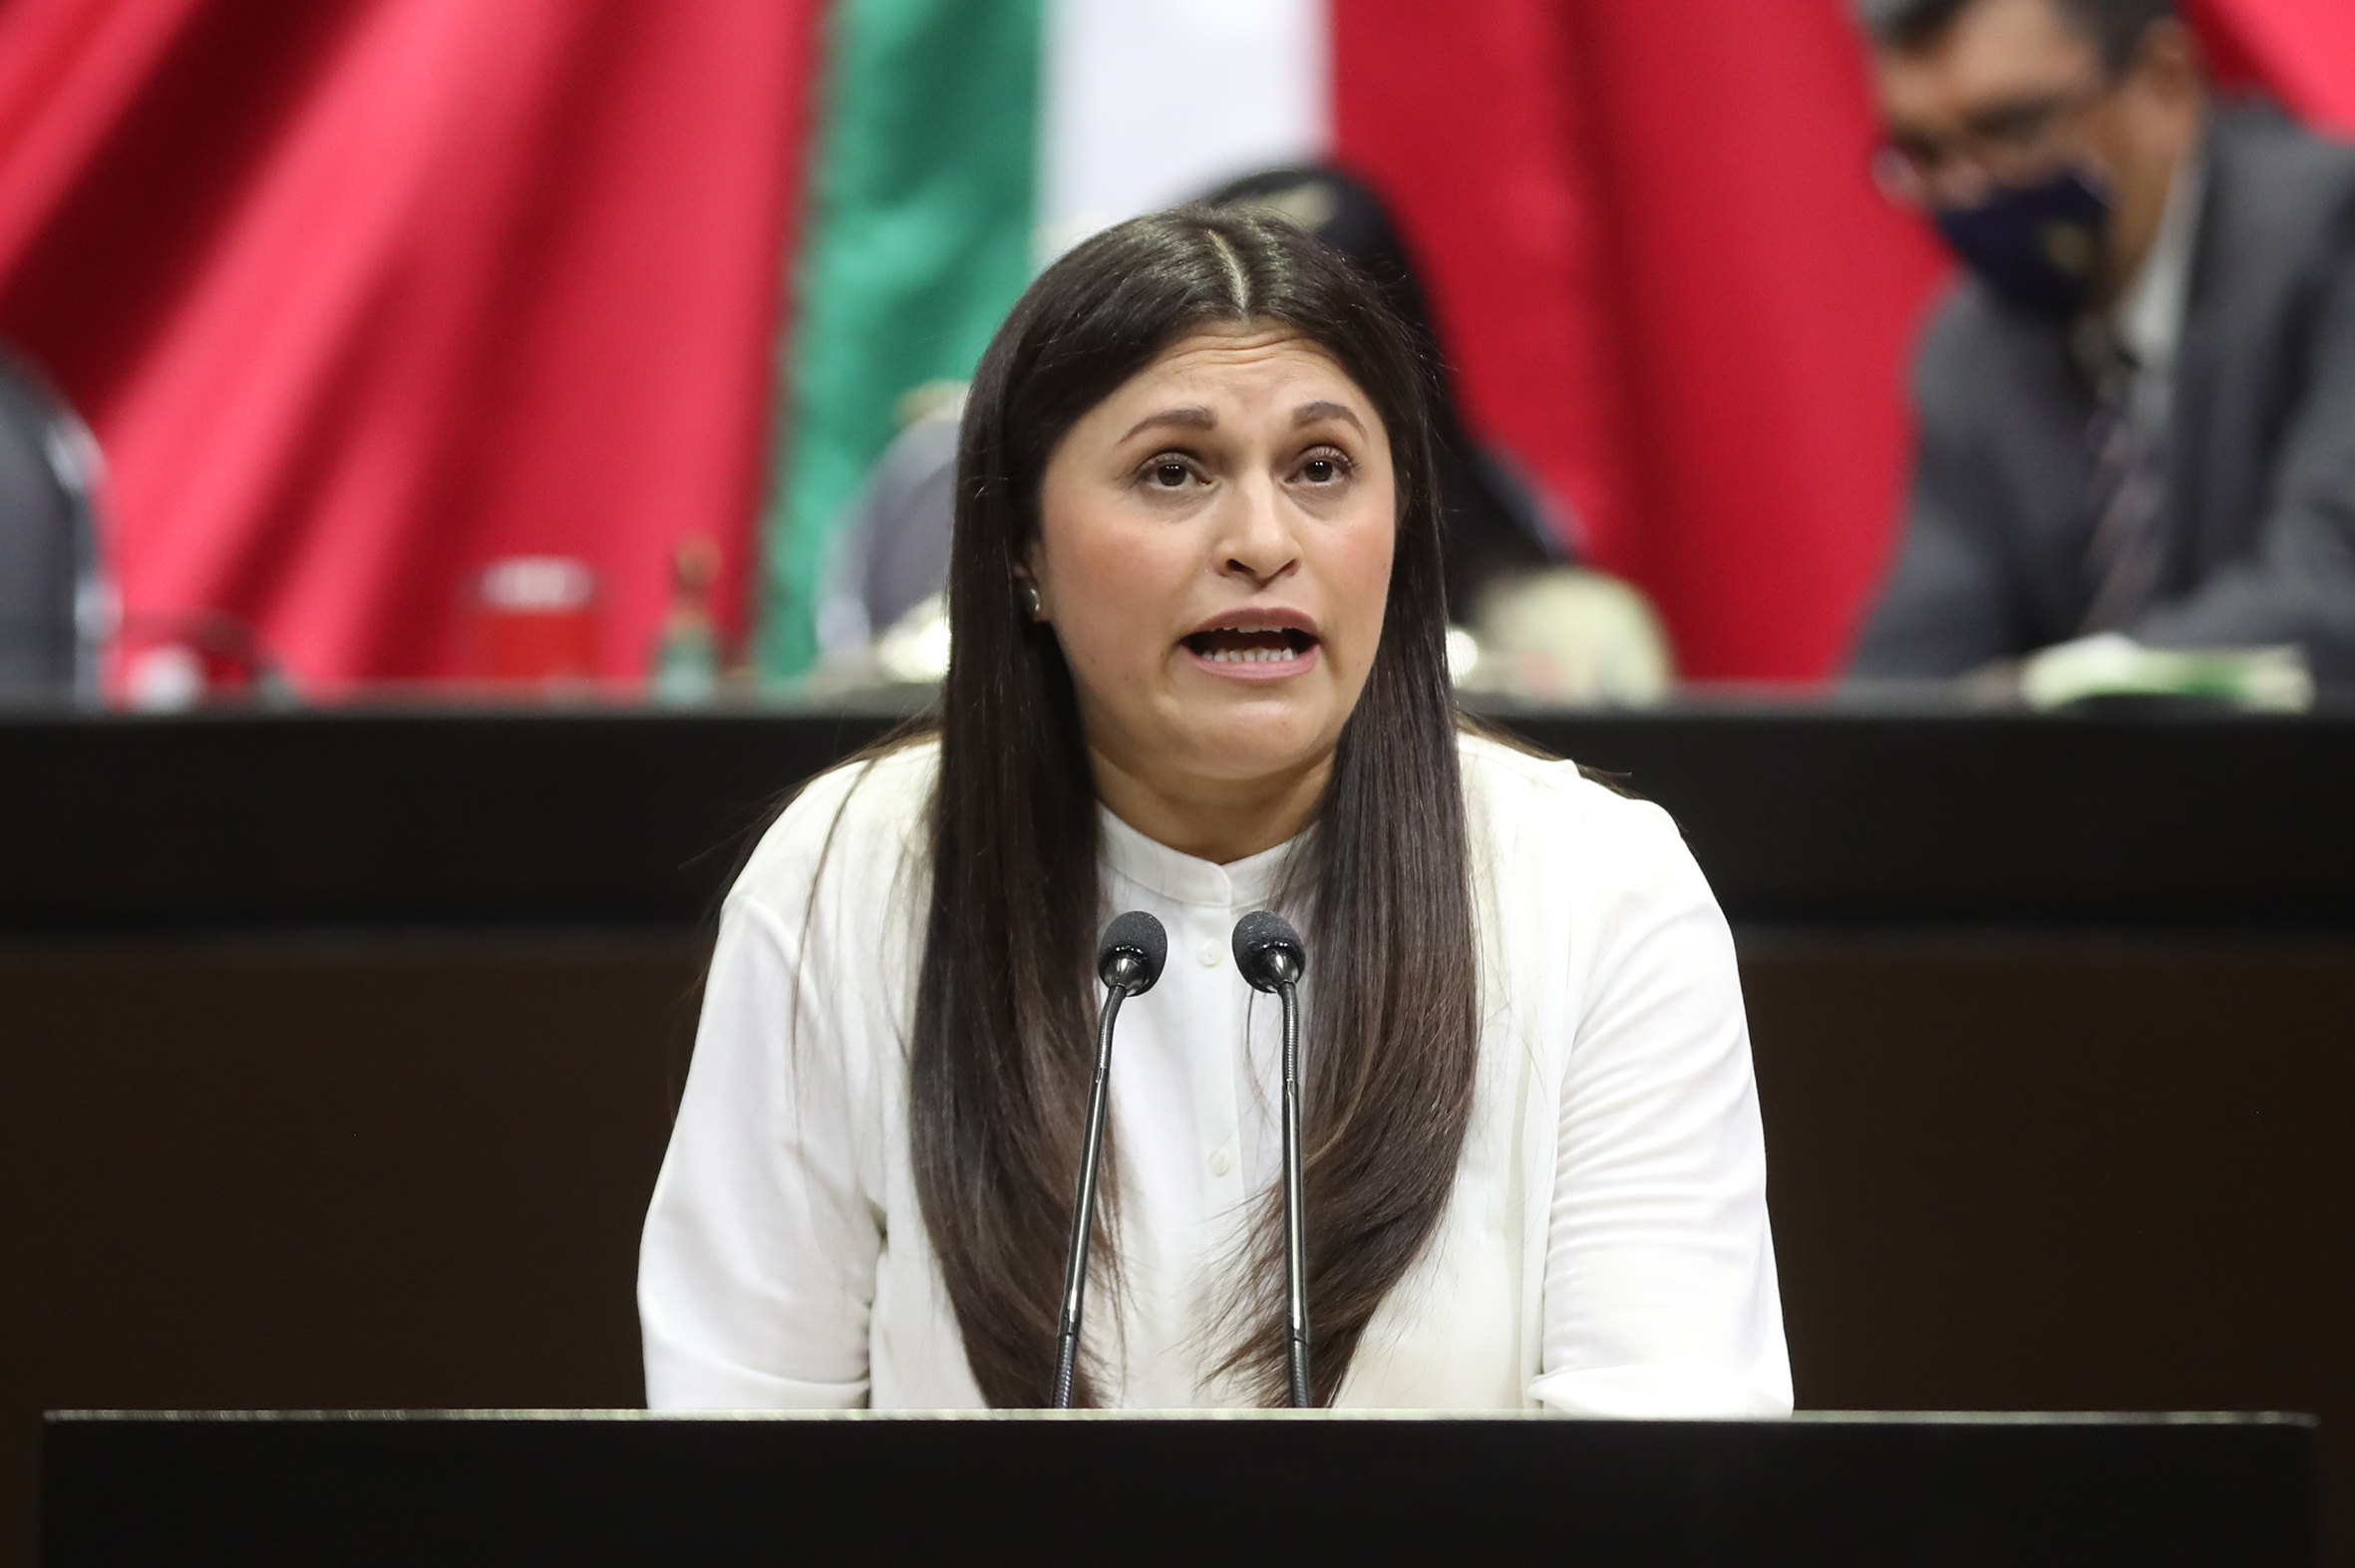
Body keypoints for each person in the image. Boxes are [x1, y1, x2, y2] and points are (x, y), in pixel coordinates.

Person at [639, 207, 1788, 1411]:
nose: (1260, 541)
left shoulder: (1598, 887)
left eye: (1321, 468)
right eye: (1173, 472)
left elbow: (1664, 1455)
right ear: (1023, 547)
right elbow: (741, 1437)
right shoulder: (849, 876)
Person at [1848, 0, 2355, 680]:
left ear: (2164, 81)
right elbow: (1915, 661)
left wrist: (2054, 698)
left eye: (2013, 128)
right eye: (1927, 153)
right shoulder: (1975, 347)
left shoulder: (2334, 240)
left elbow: (2331, 591)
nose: (1966, 189)